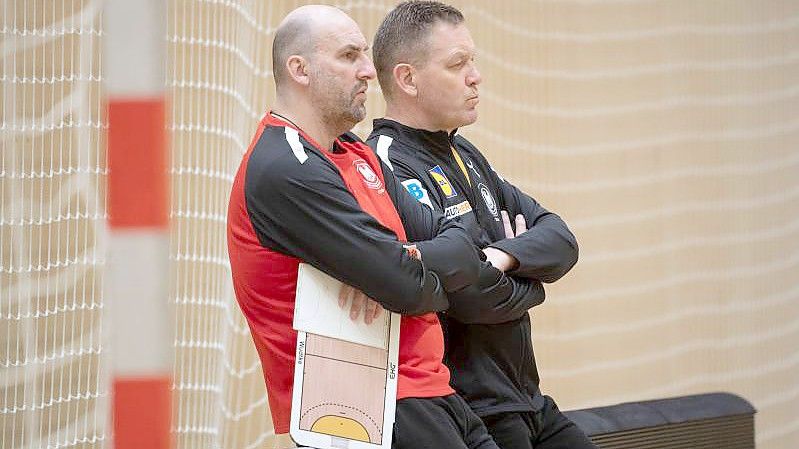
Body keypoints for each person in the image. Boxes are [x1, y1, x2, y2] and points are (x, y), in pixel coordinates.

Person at [227, 5, 527, 449]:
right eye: (350, 56)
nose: (368, 71)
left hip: (431, 391)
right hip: (363, 407)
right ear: (300, 70)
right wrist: (409, 273)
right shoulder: (285, 167)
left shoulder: (355, 152)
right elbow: (407, 287)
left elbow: (456, 242)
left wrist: (409, 265)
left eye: (365, 55)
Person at [367, 2, 596, 448]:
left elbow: (561, 238)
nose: (476, 76)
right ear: (407, 79)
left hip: (529, 400)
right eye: (458, 64)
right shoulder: (388, 164)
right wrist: (532, 283)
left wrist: (503, 255)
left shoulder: (466, 154)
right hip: (474, 412)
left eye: (472, 60)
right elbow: (467, 295)